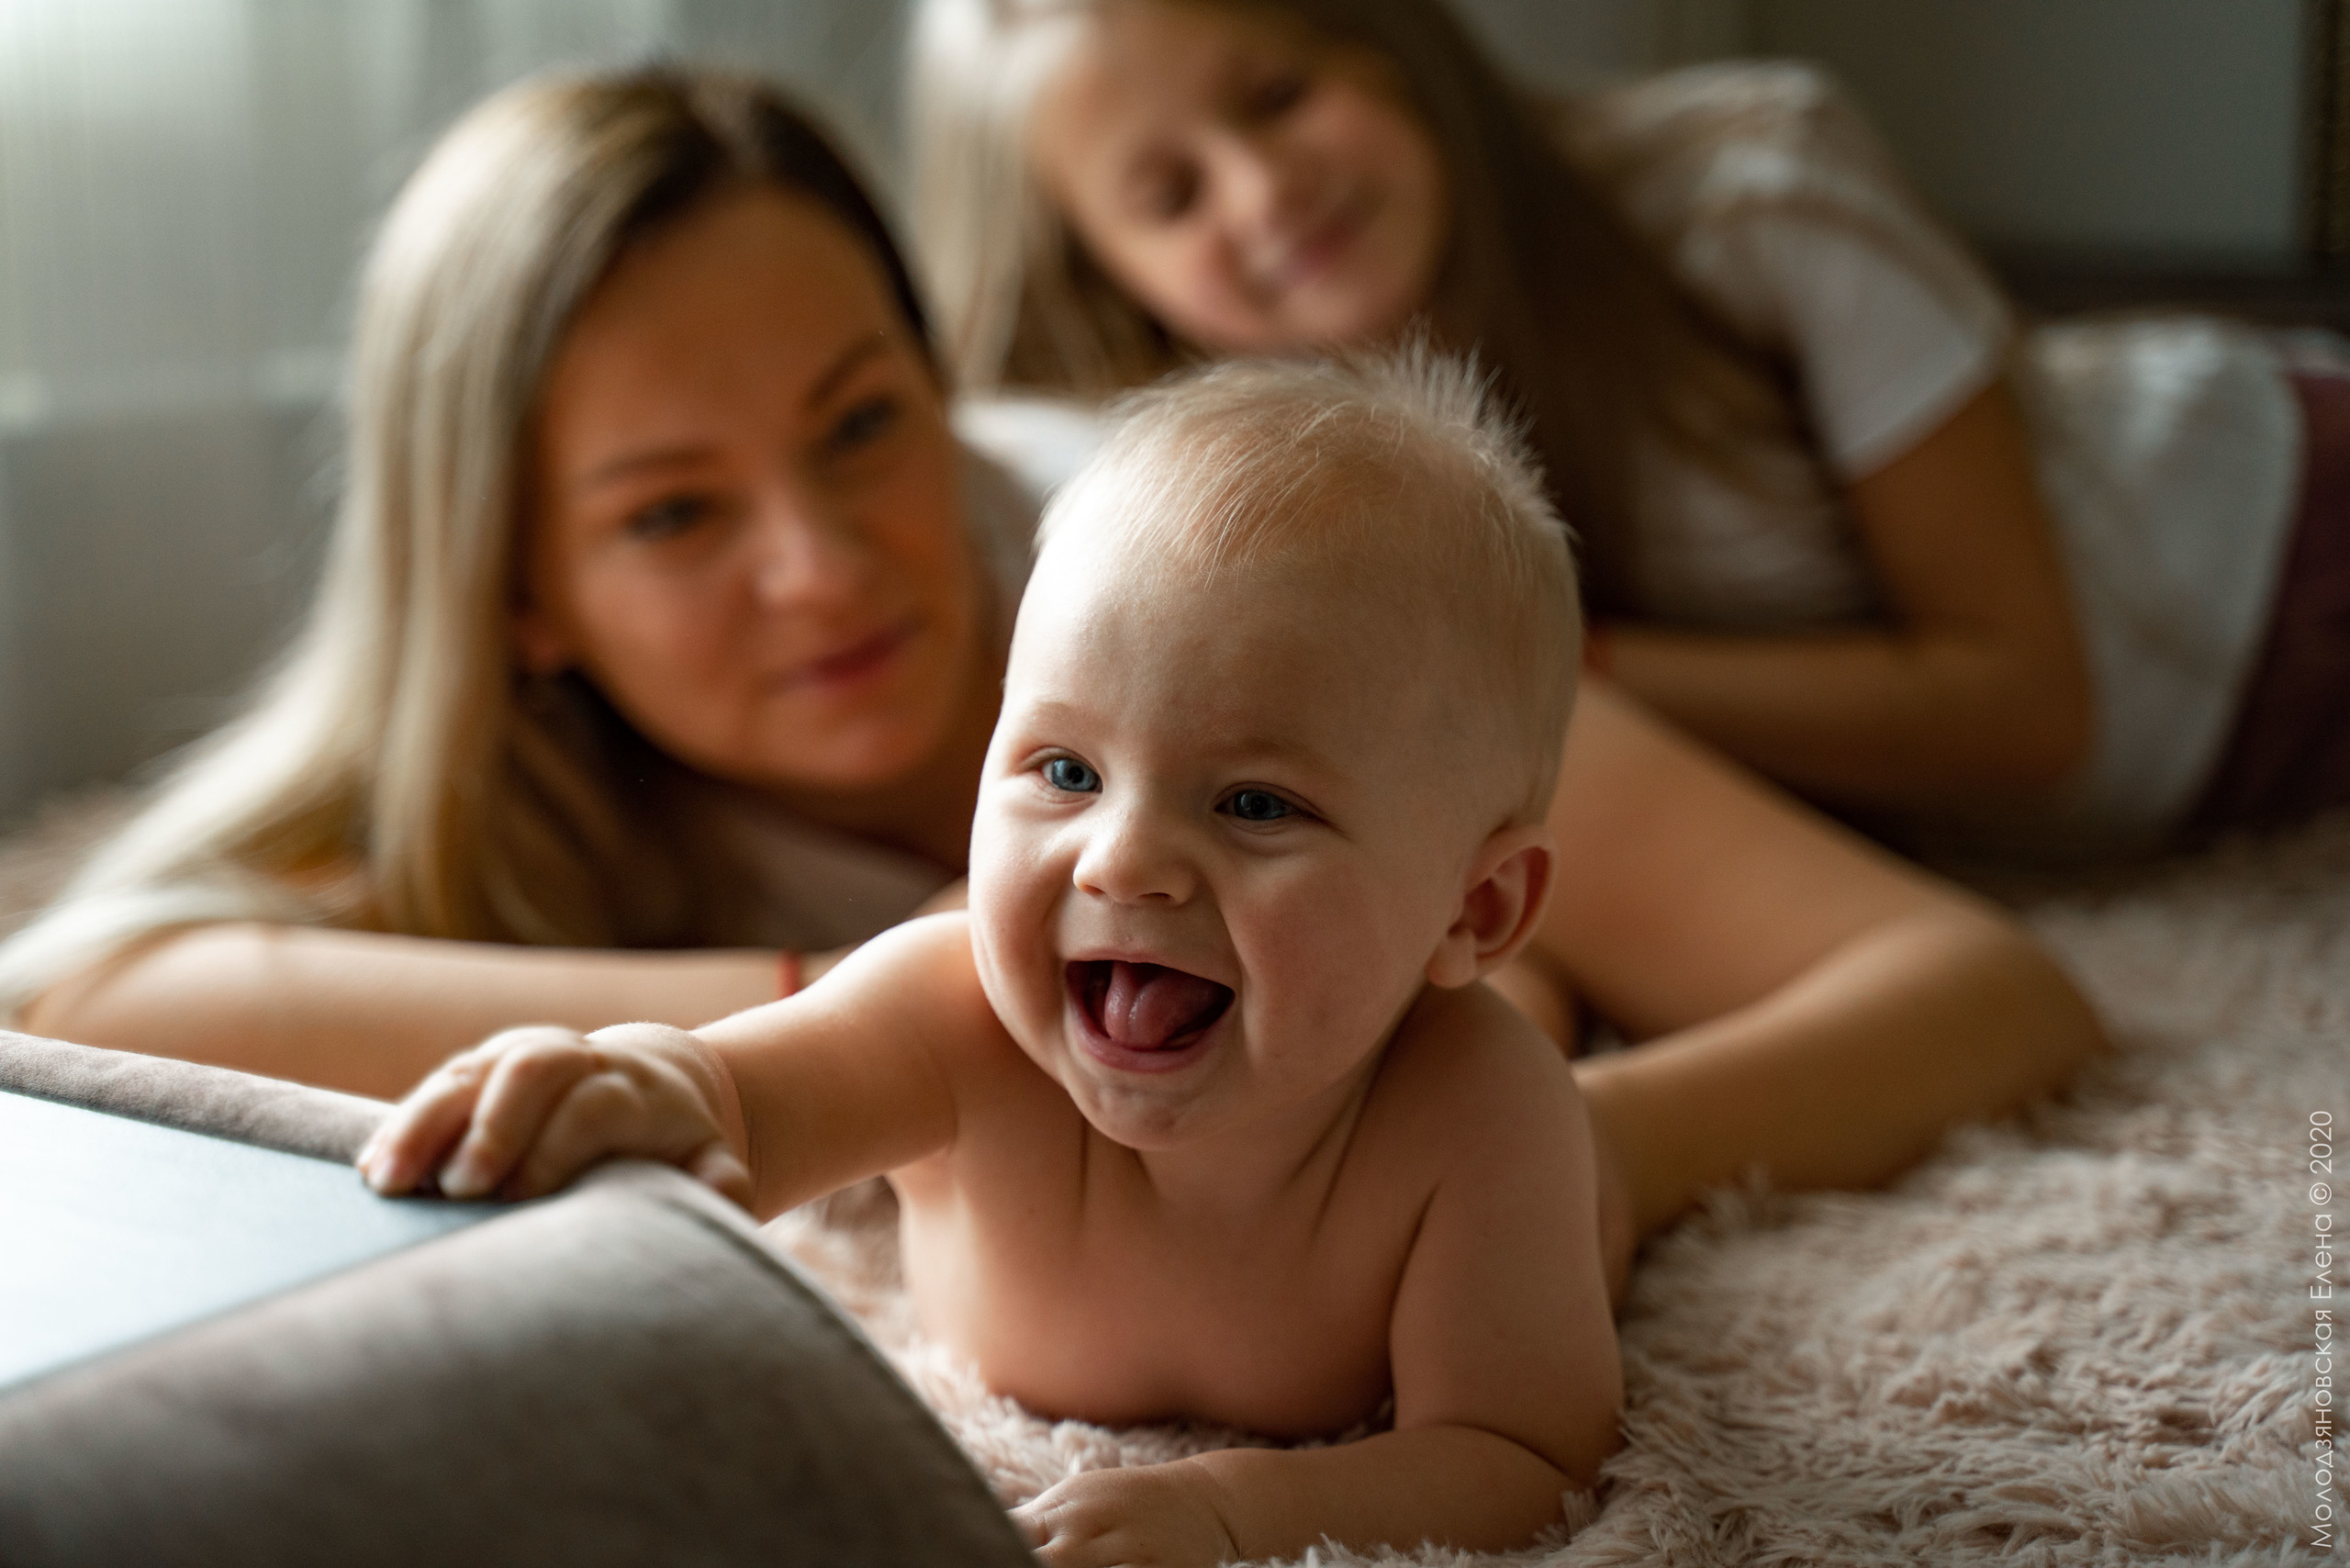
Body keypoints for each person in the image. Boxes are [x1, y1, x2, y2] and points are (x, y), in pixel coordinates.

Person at [0, 65, 2100, 1268]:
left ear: (946, 392)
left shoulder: (1243, 592)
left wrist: (1538, 1160)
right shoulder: (541, 771)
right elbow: (81, 992)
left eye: (857, 424)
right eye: (671, 514)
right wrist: (825, 1031)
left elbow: (1974, 987)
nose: (823, 567)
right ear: (520, 602)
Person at [362, 351, 1624, 1566]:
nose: (1120, 863)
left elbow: (1522, 1451)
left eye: (1255, 804)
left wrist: (1234, 1510)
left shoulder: (1482, 1116)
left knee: (1599, 1164)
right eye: (1065, 772)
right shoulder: (947, 1011)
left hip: (1530, 1138)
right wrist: (632, 1081)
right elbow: (732, 1103)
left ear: (1476, 910)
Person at [910, 0, 2350, 856]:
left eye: (1281, 94)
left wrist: (1572, 672)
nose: (1264, 190)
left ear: (1396, 43)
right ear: (1114, 285)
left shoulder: (1751, 186)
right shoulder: (1211, 461)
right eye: (1171, 197)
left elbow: (2031, 708)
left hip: (2280, 527)